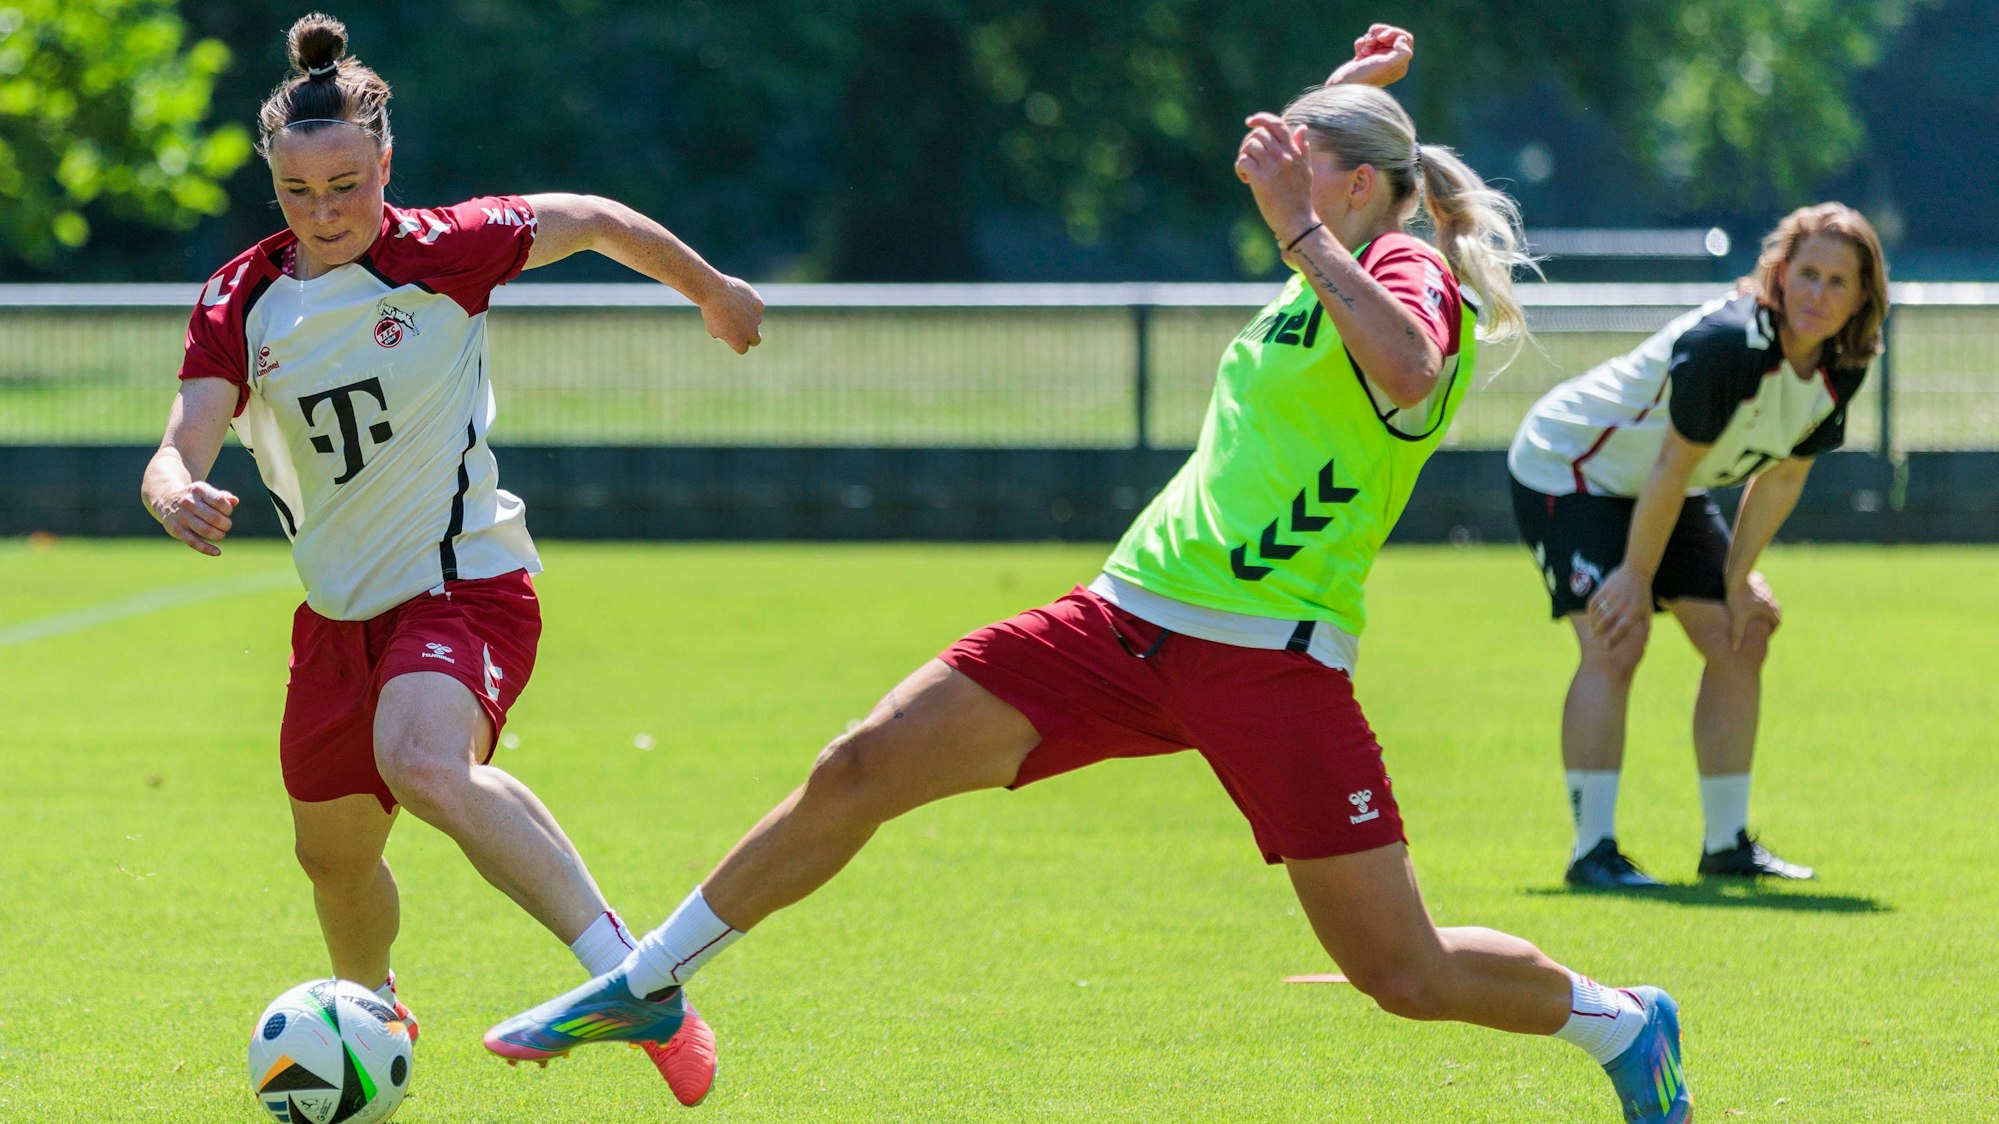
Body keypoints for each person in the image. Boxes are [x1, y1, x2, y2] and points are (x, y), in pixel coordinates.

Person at [486, 25, 1689, 1123]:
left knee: (1403, 971)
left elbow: (1414, 367)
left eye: (1306, 167)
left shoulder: (1399, 271)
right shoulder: (1325, 245)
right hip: (1116, 626)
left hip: (1267, 662)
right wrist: (1346, 94)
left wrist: (1311, 213)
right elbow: (1301, 173)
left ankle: (1625, 1023)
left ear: (1358, 191)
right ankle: (648, 984)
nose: (1269, 178)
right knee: (858, 765)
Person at [140, 12, 764, 1107]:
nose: (326, 212)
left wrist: (711, 289)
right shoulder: (241, 298)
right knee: (333, 860)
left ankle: (635, 981)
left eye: (347, 184)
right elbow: (180, 437)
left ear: (387, 162)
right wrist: (172, 489)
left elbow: (597, 217)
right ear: (272, 184)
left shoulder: (446, 251)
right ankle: (370, 1008)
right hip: (337, 618)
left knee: (423, 759)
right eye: (299, 193)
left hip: (464, 583)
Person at [1507, 203, 1888, 889]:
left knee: (1743, 632)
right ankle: (1591, 852)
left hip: (1659, 482)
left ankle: (1725, 844)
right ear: (1778, 271)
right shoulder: (1726, 342)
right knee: (1615, 638)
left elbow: (1781, 479)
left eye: (1838, 282)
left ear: (1863, 295)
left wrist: (1739, 579)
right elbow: (1670, 468)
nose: (1817, 295)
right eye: (1806, 273)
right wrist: (1631, 574)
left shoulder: (1844, 362)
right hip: (1569, 467)